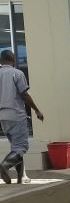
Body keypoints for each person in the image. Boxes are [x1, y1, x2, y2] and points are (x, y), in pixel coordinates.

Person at [0, 50, 43, 184]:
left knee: (16, 148)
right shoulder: (17, 73)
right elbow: (24, 95)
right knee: (22, 147)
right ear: (12, 59)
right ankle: (5, 165)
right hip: (16, 115)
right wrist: (37, 110)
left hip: (3, 117)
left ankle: (20, 177)